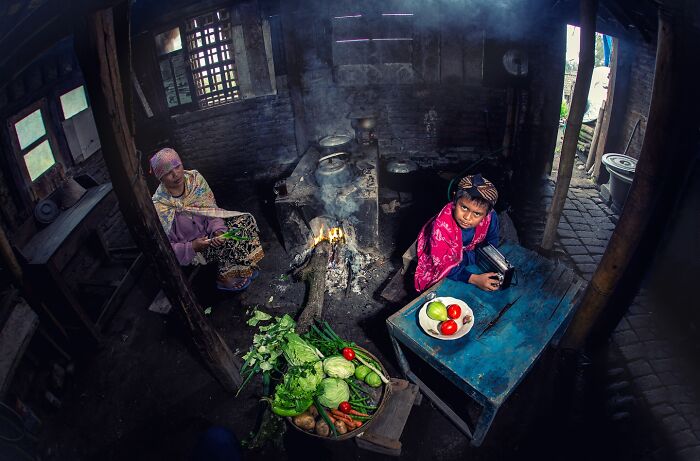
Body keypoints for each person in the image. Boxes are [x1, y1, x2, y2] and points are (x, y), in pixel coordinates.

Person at [150, 148, 264, 292]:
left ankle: (243, 266)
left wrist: (217, 231)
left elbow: (211, 211)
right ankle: (224, 277)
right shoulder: (159, 206)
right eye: (167, 173)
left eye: (177, 166)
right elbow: (165, 247)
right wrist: (192, 247)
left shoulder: (194, 181)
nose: (176, 174)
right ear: (160, 178)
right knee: (225, 245)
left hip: (209, 235)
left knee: (242, 222)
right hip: (192, 250)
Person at [414, 173, 501, 292]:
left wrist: (487, 261)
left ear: (487, 213)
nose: (467, 217)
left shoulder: (491, 218)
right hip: (439, 251)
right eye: (464, 207)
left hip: (467, 252)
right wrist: (474, 279)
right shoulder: (441, 226)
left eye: (477, 214)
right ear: (455, 199)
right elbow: (440, 263)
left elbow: (492, 243)